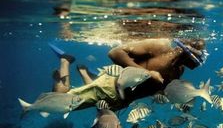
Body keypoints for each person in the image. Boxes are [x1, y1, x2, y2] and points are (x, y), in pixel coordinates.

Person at [51, 38, 207, 111]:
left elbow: (157, 88)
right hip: (109, 88)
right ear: (186, 51)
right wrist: (147, 73)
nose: (197, 63)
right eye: (196, 57)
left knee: (92, 103)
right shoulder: (159, 46)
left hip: (121, 101)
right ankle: (65, 61)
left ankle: (85, 73)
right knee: (62, 103)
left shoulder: (178, 70)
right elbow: (115, 53)